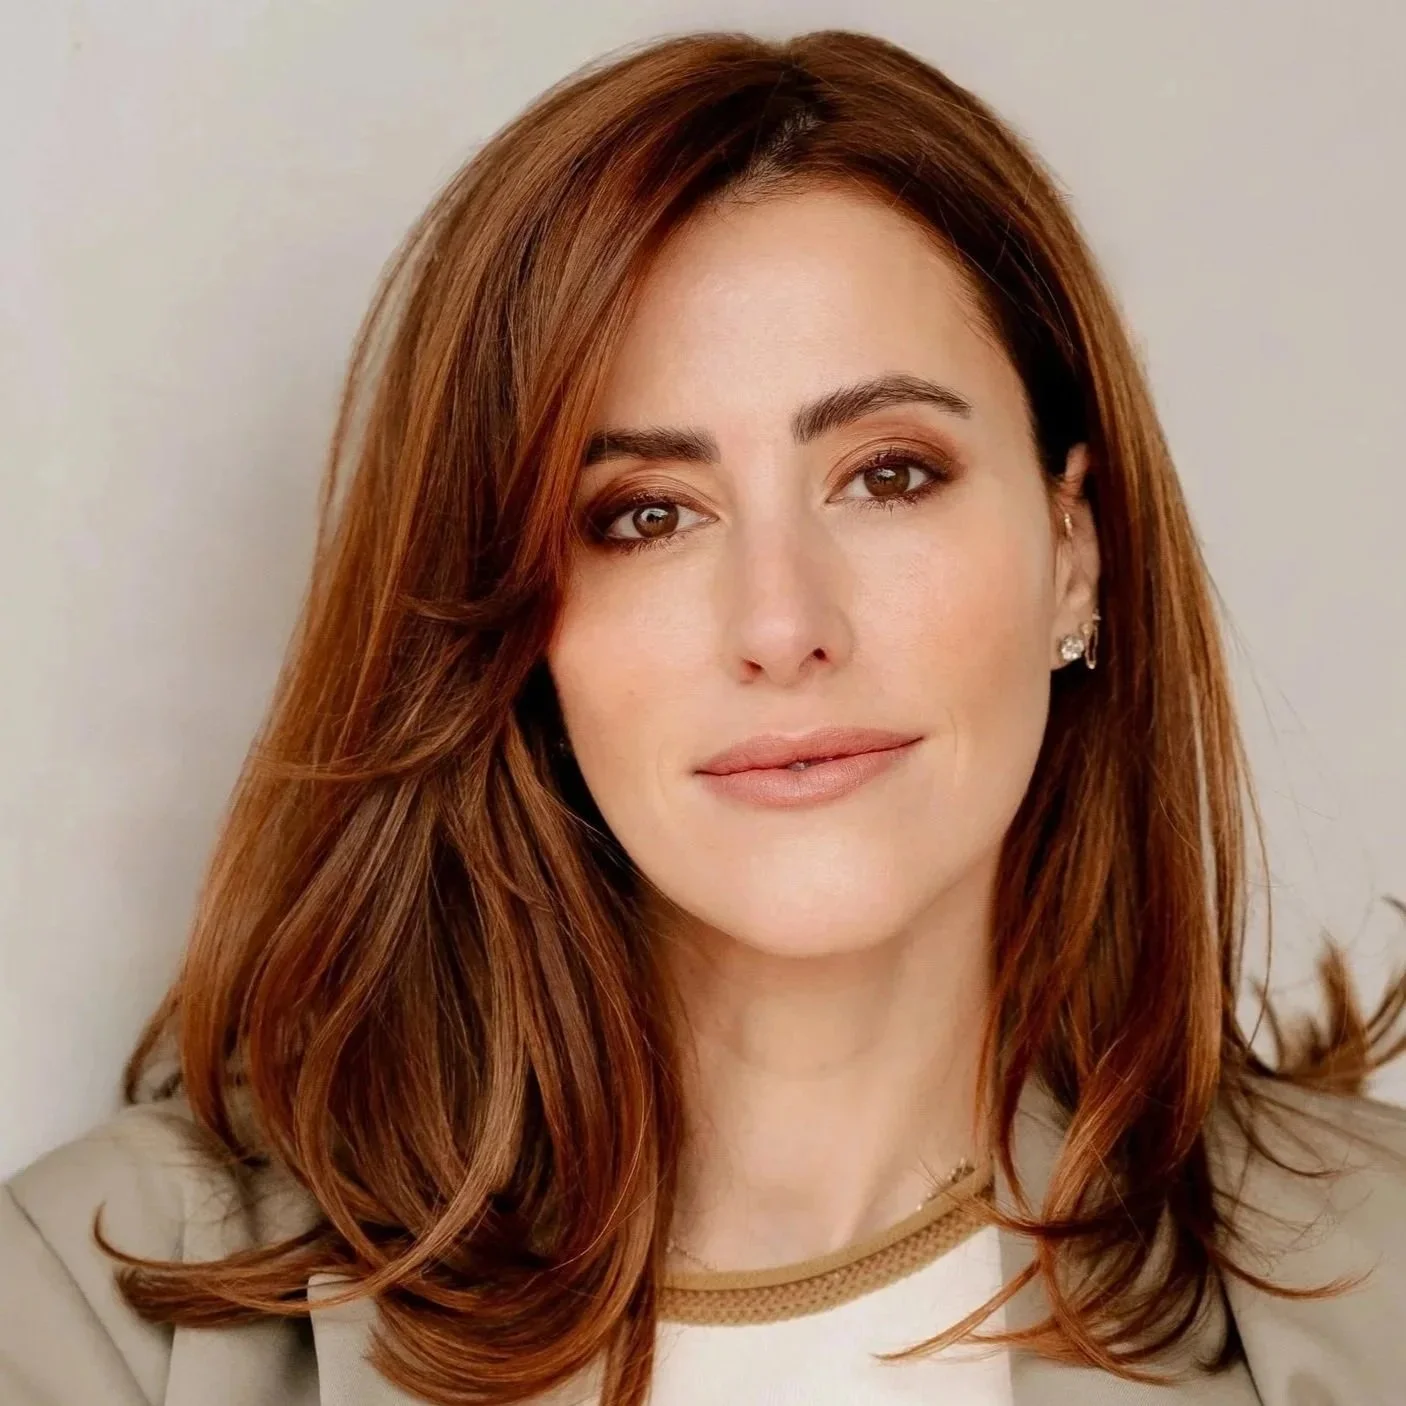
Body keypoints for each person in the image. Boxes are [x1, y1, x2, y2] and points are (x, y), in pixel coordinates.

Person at [3, 26, 1404, 1406]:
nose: (782, 625)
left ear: (1073, 549)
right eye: (646, 516)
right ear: (515, 625)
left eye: (889, 474)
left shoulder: (1380, 1284)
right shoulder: (96, 1315)